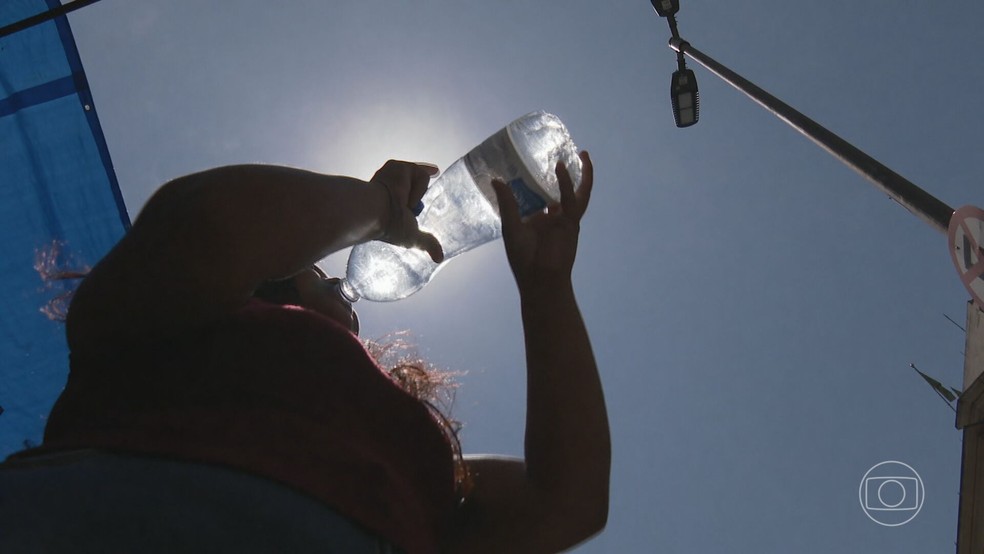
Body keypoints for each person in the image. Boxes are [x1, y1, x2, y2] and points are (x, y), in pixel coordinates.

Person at [0, 151, 610, 553]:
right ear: (273, 283)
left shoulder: (399, 452)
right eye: (315, 271)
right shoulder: (161, 331)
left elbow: (566, 505)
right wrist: (378, 209)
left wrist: (546, 286)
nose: (346, 296)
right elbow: (212, 226)